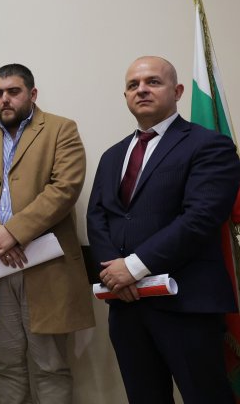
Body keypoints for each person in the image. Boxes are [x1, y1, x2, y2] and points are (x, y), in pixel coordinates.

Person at [87, 56, 240, 403]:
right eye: (133, 85)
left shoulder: (209, 145)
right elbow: (97, 218)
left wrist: (133, 267)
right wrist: (115, 273)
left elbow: (200, 218)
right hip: (126, 306)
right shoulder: (112, 156)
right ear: (126, 96)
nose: (141, 90)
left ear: (178, 91)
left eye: (153, 82)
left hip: (187, 304)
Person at [0, 63, 94, 403]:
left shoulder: (61, 129)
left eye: (13, 92)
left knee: (50, 366)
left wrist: (14, 232)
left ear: (32, 94)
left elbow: (64, 188)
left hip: (46, 267)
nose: (4, 99)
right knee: (5, 364)